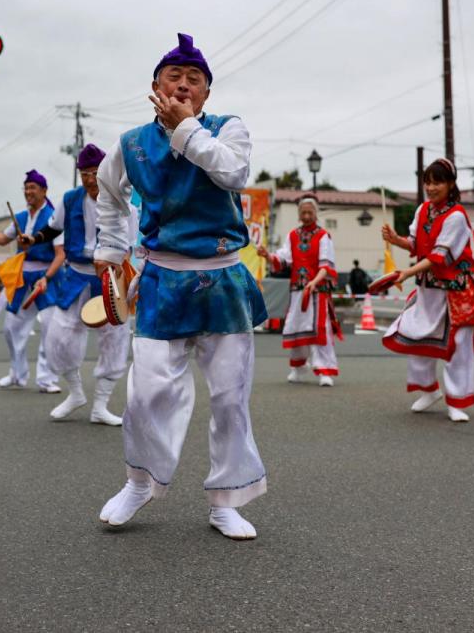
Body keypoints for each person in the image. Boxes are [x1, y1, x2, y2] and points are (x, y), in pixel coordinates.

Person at [93, 33, 268, 540]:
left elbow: (233, 174)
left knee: (230, 398)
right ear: (155, 86)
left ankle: (227, 500)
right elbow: (109, 195)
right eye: (175, 77)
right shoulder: (130, 144)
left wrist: (185, 128)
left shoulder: (227, 128)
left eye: (196, 79)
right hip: (161, 279)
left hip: (222, 276)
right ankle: (140, 482)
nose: (185, 85)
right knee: (146, 394)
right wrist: (110, 254)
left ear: (207, 93)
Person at [19, 143, 131, 424]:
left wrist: (125, 276)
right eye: (85, 174)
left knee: (114, 338)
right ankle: (76, 393)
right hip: (76, 275)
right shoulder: (70, 200)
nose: (90, 179)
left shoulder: (122, 199)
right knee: (59, 335)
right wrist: (33, 239)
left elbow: (132, 244)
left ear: (106, 171)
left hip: (110, 278)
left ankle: (101, 406)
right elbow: (53, 228)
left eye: (95, 173)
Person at [379, 158, 474, 423]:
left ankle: (457, 401)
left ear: (451, 184)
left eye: (437, 182)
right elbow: (416, 244)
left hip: (456, 292)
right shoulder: (423, 210)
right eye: (427, 182)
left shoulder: (457, 216)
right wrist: (396, 240)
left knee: (457, 347)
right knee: (416, 338)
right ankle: (429, 390)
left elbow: (440, 256)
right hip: (429, 290)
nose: (430, 187)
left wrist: (407, 272)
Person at [0, 171, 63, 392]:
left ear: (44, 191)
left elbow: (60, 254)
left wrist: (46, 277)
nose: (28, 192)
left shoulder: (54, 218)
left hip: (47, 278)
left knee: (49, 328)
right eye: (26, 188)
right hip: (22, 277)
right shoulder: (21, 217)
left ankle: (47, 379)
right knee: (11, 328)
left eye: (32, 187)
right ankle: (17, 374)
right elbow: (2, 238)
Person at [258, 193, 342, 386]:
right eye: (303, 212)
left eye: (310, 212)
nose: (306, 216)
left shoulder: (323, 236)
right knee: (295, 327)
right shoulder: (293, 236)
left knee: (319, 329)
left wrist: (314, 282)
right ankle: (298, 367)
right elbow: (283, 259)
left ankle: (324, 370)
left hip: (317, 292)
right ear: (298, 214)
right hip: (297, 290)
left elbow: (326, 266)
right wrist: (267, 255)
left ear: (316, 213)